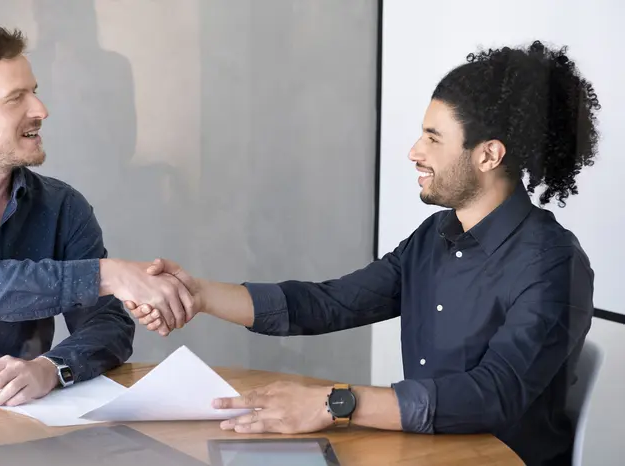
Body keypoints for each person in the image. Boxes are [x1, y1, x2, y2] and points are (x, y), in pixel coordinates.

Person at [128, 40, 600, 465]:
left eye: (433, 138)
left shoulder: (553, 262)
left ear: (488, 155)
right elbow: (333, 302)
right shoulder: (434, 237)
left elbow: (493, 395)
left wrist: (334, 402)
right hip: (422, 452)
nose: (415, 151)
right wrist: (200, 294)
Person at [0, 22, 195, 408]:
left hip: (26, 427)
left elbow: (107, 324)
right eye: (16, 98)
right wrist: (109, 274)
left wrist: (53, 367)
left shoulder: (63, 206)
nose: (40, 110)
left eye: (35, 92)